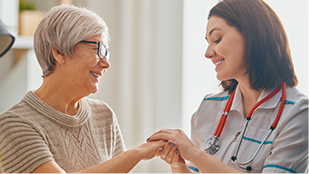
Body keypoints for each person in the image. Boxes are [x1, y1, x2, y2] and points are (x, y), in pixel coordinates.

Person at [148, 0, 309, 173]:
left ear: (252, 34)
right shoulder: (209, 107)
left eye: (216, 40)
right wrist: (178, 163)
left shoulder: (297, 112)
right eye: (208, 43)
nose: (208, 53)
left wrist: (194, 154)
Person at [0, 4, 165, 174]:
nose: (106, 63)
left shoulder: (103, 115)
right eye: (98, 49)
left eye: (107, 53)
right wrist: (137, 153)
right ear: (59, 52)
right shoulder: (13, 124)